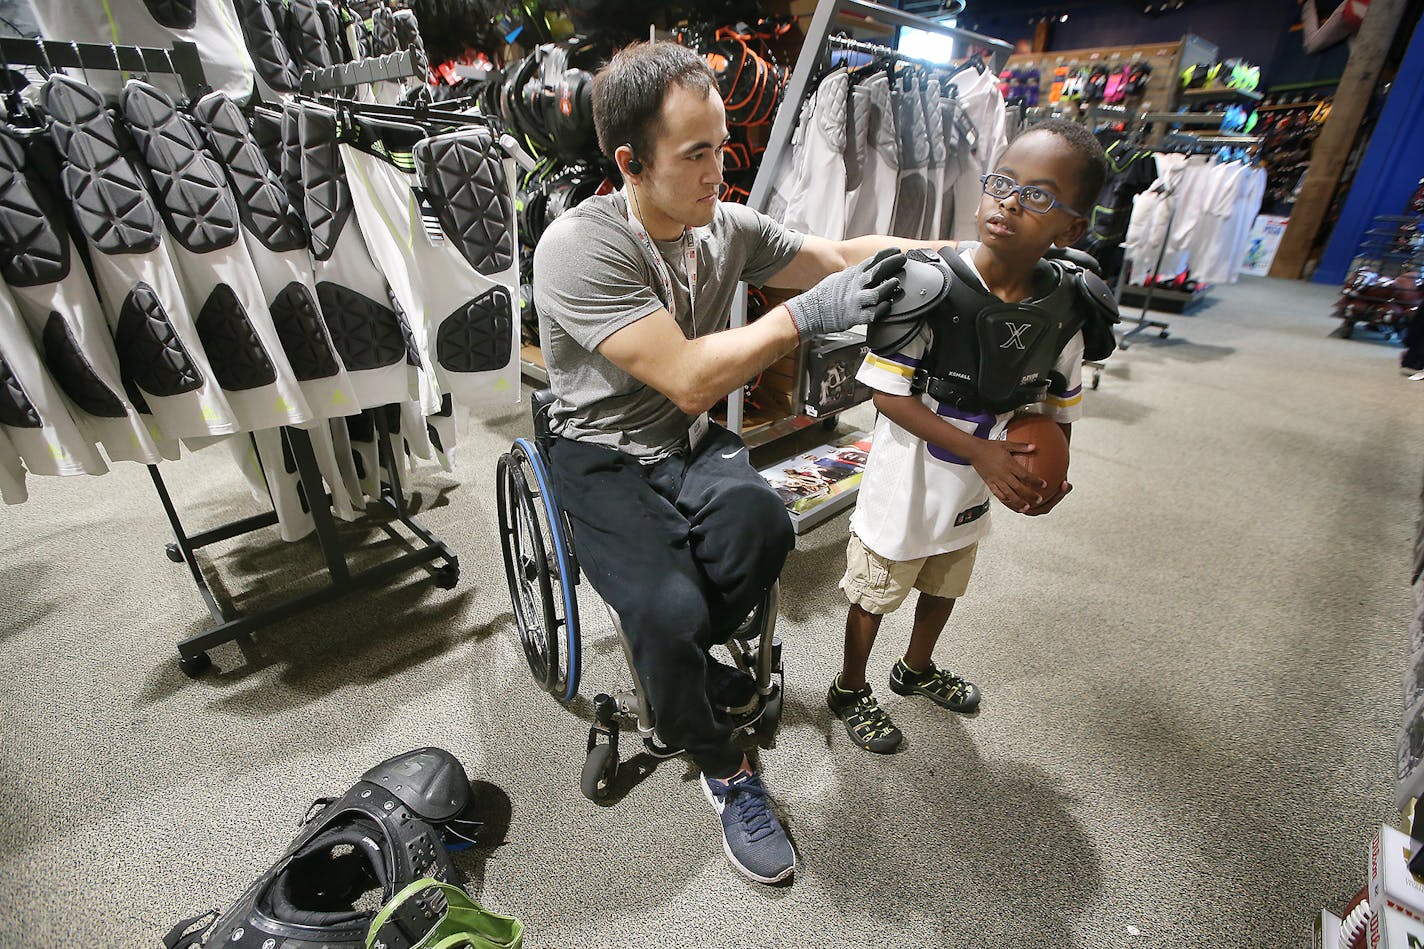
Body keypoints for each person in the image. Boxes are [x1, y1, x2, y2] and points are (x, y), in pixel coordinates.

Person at [532, 41, 943, 885]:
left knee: (763, 530)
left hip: (685, 448)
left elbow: (835, 256)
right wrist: (804, 320)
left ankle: (682, 660)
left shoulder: (722, 225)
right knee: (665, 603)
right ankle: (724, 763)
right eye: (697, 153)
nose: (721, 168)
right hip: (601, 452)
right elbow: (687, 378)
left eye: (723, 145)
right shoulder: (577, 246)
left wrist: (973, 257)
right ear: (630, 163)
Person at [826, 119, 1110, 754]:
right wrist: (982, 451)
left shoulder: (1067, 305)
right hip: (914, 468)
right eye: (1002, 182)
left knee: (947, 578)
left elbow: (1058, 401)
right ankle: (849, 686)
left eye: (1038, 195)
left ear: (1072, 227)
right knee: (878, 587)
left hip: (982, 468)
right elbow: (886, 392)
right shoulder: (929, 285)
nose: (1009, 201)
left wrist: (1051, 471)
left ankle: (916, 667)